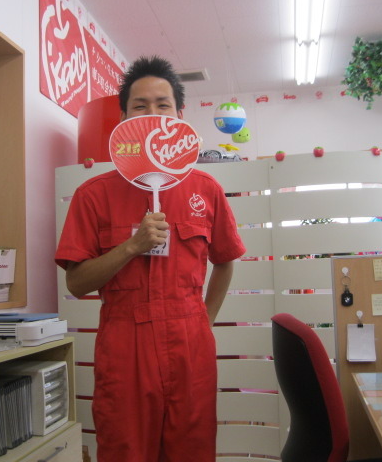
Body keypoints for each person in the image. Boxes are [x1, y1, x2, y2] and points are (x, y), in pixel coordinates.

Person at [55, 55, 245, 462]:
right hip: (125, 345)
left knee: (192, 450)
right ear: (124, 118)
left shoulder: (205, 188)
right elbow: (76, 282)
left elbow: (226, 259)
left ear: (179, 115)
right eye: (140, 106)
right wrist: (131, 247)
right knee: (125, 450)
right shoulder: (94, 195)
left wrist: (203, 321)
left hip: (190, 342)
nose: (153, 114)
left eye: (163, 105)